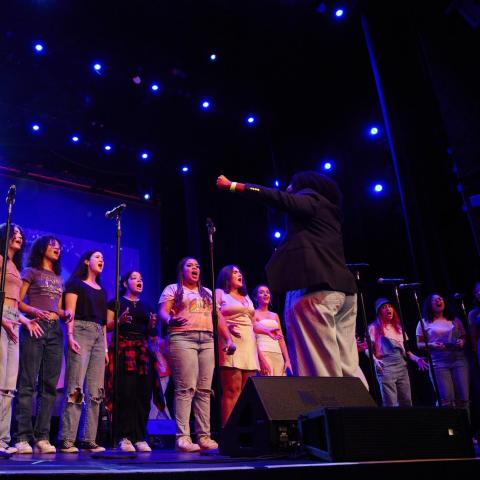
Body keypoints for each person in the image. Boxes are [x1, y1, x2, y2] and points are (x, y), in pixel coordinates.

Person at [216, 172, 362, 383]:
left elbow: (276, 197)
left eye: (290, 186)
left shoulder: (310, 199)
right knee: (348, 366)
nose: (288, 190)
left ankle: (332, 413)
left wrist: (234, 186)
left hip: (318, 292)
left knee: (320, 368)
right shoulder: (329, 213)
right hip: (345, 292)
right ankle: (359, 411)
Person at [159, 257, 234, 453]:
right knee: (186, 388)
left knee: (204, 390)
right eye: (190, 265)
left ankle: (204, 436)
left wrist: (228, 340)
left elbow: (218, 319)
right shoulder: (172, 289)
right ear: (181, 270)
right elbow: (163, 312)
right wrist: (170, 320)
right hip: (183, 338)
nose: (195, 268)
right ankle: (183, 437)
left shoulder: (207, 293)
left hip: (208, 340)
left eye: (197, 266)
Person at [15, 236, 72, 454]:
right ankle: (22, 437)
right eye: (52, 245)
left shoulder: (58, 278)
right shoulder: (30, 271)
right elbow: (18, 302)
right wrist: (34, 312)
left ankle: (42, 436)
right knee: (28, 383)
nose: (57, 248)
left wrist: (63, 312)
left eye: (59, 246)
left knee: (49, 387)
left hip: (54, 331)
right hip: (35, 327)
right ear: (42, 249)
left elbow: (56, 308)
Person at [58, 250, 108, 453]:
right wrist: (70, 336)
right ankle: (67, 439)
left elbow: (103, 323)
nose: (101, 260)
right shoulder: (75, 283)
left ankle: (88, 438)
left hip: (98, 336)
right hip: (80, 331)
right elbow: (69, 314)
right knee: (76, 387)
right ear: (87, 261)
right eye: (97, 257)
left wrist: (104, 347)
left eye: (102, 258)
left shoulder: (102, 290)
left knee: (96, 391)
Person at [106, 271, 158, 453]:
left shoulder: (146, 305)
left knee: (143, 394)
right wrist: (119, 321)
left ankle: (140, 437)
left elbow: (152, 334)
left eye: (141, 278)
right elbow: (107, 326)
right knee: (126, 394)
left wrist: (152, 325)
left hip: (142, 351)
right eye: (135, 278)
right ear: (125, 283)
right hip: (124, 348)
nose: (139, 281)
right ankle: (125, 436)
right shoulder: (116, 302)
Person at [216, 265, 271, 425]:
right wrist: (227, 334)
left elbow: (253, 324)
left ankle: (241, 433)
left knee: (246, 394)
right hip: (231, 343)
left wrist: (268, 332)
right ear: (226, 276)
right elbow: (216, 315)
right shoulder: (221, 294)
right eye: (235, 272)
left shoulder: (246, 298)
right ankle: (228, 434)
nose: (239, 274)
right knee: (232, 391)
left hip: (249, 346)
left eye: (240, 272)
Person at [0, 224, 37, 455]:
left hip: (13, 319)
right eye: (15, 233)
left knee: (8, 386)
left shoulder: (14, 265)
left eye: (21, 235)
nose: (19, 237)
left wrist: (24, 320)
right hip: (2, 319)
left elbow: (14, 303)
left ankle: (2, 439)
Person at [368, 298, 428, 406]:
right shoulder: (373, 328)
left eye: (390, 306)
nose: (388, 309)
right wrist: (375, 360)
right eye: (384, 307)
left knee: (406, 400)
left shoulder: (399, 328)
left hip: (401, 366)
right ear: (379, 312)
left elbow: (406, 352)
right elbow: (367, 349)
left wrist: (417, 359)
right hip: (385, 367)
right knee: (390, 402)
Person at [416, 293, 469, 410]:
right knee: (446, 400)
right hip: (439, 362)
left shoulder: (454, 320)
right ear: (430, 305)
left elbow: (464, 337)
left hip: (458, 359)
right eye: (435, 300)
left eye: (441, 298)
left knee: (463, 398)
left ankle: (466, 427)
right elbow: (419, 344)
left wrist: (462, 342)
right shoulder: (423, 322)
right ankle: (451, 428)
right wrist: (432, 345)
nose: (439, 301)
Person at [252, 284, 292, 376]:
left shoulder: (275, 315)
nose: (265, 294)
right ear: (255, 298)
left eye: (267, 292)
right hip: (264, 352)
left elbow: (281, 339)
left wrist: (287, 360)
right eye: (261, 292)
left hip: (278, 354)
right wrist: (261, 359)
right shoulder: (254, 314)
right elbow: (253, 339)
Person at [468, 281, 480, 368]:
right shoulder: (473, 313)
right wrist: (475, 350)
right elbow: (473, 335)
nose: (479, 293)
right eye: (477, 291)